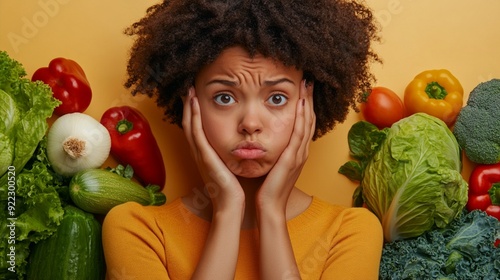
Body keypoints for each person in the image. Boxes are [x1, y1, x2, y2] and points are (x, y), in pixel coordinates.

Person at [102, 0, 384, 279]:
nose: (250, 123)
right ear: (190, 103)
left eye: (276, 98)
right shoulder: (138, 230)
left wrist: (271, 212)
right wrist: (227, 210)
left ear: (308, 105)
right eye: (224, 97)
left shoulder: (350, 232)